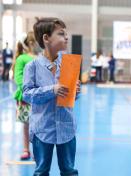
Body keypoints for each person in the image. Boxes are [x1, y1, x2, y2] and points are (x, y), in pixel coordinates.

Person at [23, 17, 80, 176]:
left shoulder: (70, 64)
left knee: (69, 170)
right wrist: (52, 90)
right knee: (41, 171)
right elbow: (27, 94)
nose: (66, 37)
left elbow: (70, 98)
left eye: (66, 33)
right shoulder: (32, 66)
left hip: (66, 126)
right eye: (61, 34)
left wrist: (75, 92)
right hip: (42, 129)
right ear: (46, 38)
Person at [12, 31, 37, 160]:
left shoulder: (40, 58)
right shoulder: (22, 58)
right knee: (26, 124)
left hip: (39, 97)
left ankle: (38, 149)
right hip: (25, 97)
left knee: (38, 124)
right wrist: (27, 90)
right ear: (31, 43)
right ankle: (26, 149)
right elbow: (18, 76)